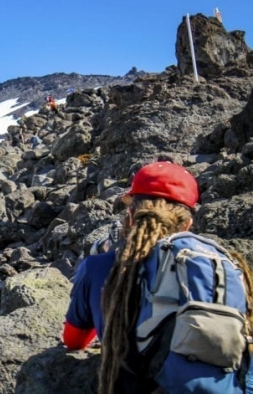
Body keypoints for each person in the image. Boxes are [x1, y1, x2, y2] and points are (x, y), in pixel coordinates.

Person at [62, 161, 253, 393]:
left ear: (131, 215)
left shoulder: (99, 267)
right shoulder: (219, 265)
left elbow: (74, 340)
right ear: (188, 224)